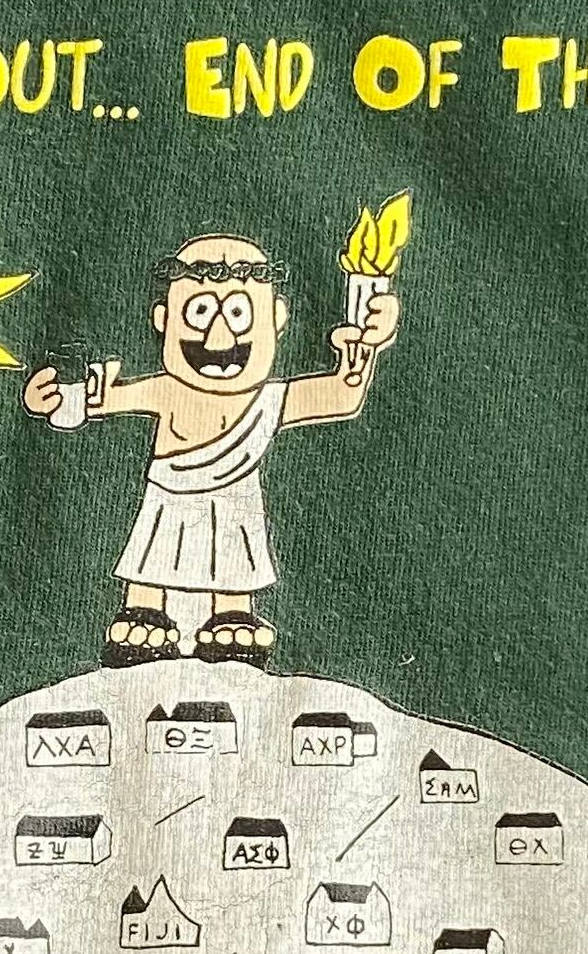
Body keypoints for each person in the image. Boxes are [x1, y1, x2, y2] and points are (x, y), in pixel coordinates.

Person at [22, 230, 402, 666]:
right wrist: (52, 400)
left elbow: (341, 395)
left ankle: (233, 615)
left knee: (234, 554)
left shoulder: (268, 400)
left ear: (276, 318)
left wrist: (367, 347)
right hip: (170, 497)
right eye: (200, 312)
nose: (218, 338)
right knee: (155, 550)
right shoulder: (166, 390)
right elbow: (98, 400)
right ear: (164, 319)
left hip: (235, 500)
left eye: (238, 313)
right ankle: (143, 609)